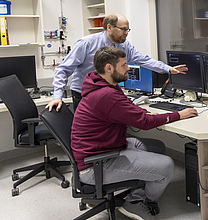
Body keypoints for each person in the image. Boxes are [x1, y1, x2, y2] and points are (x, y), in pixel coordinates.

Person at [71, 46, 197, 219]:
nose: (128, 68)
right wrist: (178, 115)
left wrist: (143, 112)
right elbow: (144, 124)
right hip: (95, 165)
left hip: (103, 148)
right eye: (124, 65)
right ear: (109, 68)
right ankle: (136, 203)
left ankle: (136, 193)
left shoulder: (100, 83)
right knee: (167, 165)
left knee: (156, 146)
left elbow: (127, 108)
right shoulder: (106, 95)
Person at [47, 13, 187, 111]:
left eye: (128, 29)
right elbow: (63, 69)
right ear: (109, 27)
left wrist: (168, 69)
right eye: (123, 29)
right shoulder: (87, 43)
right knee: (91, 131)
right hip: (85, 94)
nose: (126, 33)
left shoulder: (124, 45)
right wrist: (57, 96)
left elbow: (143, 59)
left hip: (109, 92)